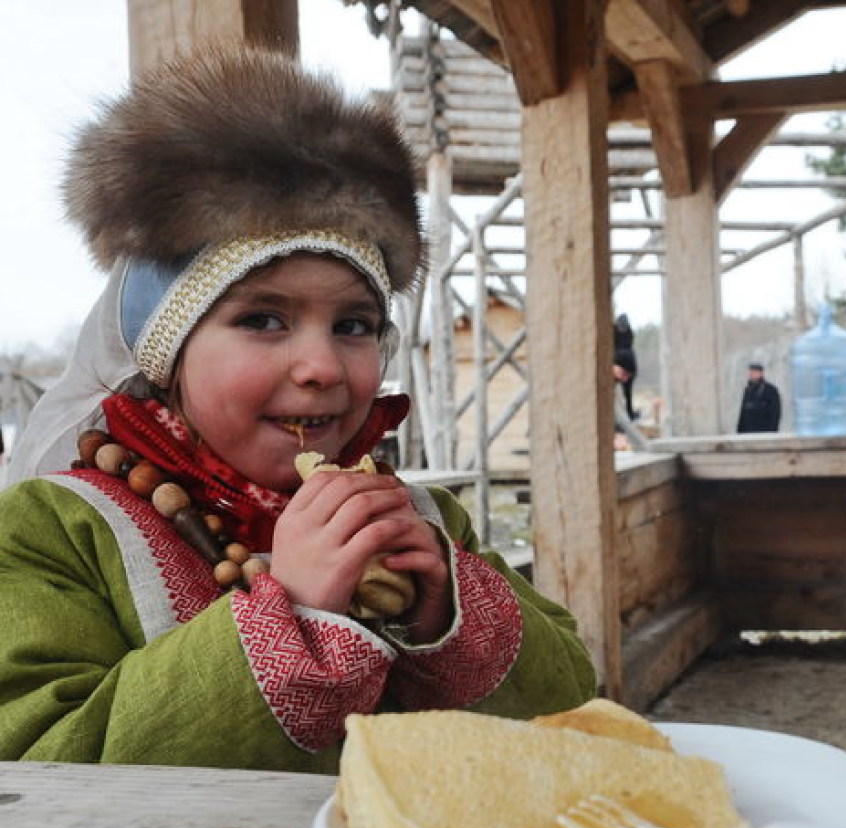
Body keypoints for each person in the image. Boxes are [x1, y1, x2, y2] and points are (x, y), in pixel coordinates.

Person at [0, 47, 595, 773]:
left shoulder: (420, 522)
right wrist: (291, 615)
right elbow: (33, 767)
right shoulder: (53, 533)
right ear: (166, 351)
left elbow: (570, 703)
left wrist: (445, 608)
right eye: (263, 320)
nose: (320, 368)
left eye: (353, 325)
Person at [737, 363, 782, 433]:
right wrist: (739, 431)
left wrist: (772, 432)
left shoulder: (770, 390)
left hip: (764, 432)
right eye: (750, 372)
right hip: (748, 432)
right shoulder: (748, 390)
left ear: (760, 373)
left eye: (754, 372)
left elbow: (775, 413)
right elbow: (743, 413)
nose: (751, 375)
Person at [612, 313, 638, 419]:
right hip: (625, 361)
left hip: (620, 360)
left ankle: (629, 413)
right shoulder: (629, 332)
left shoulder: (615, 331)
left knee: (626, 391)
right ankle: (629, 413)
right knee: (627, 392)